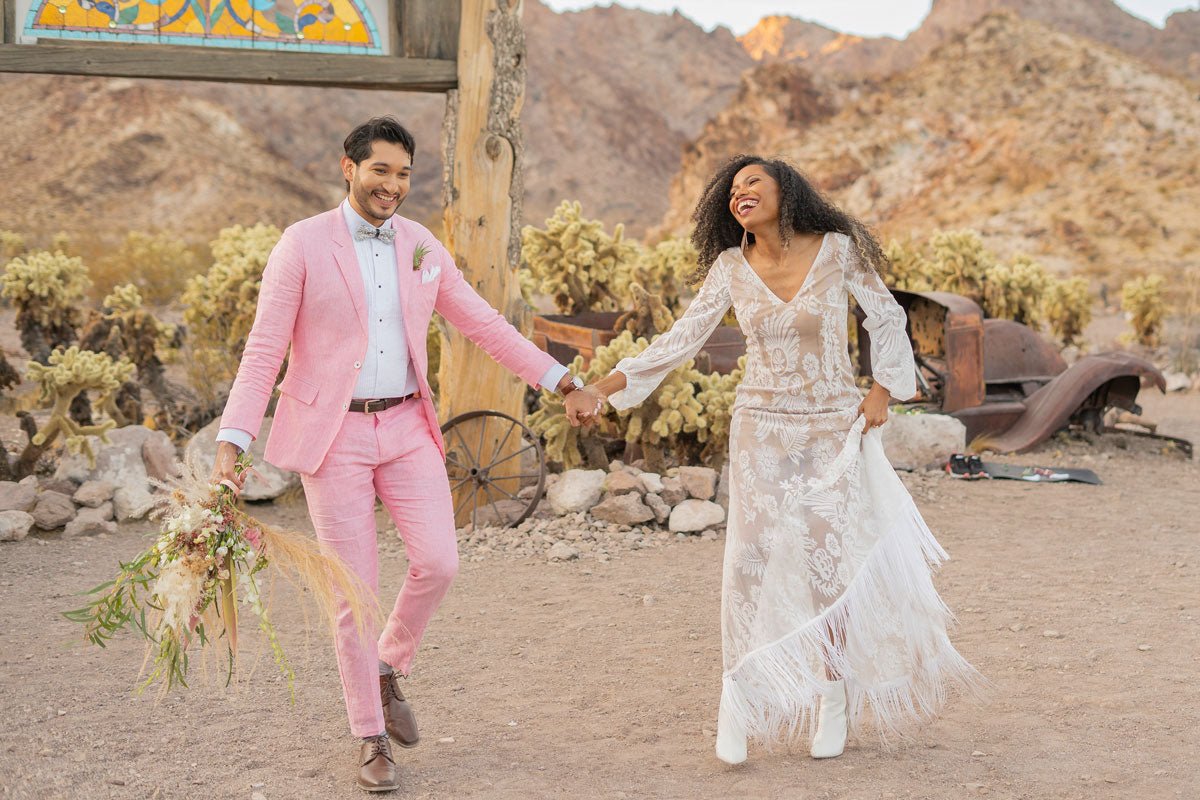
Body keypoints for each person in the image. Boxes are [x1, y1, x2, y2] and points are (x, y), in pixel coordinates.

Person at [565, 155, 980, 764]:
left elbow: (887, 316)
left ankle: (832, 693)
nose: (741, 194)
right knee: (748, 563)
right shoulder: (731, 267)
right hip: (761, 429)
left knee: (825, 565)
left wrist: (882, 390)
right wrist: (603, 387)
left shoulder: (837, 250)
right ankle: (740, 702)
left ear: (786, 189)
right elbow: (680, 339)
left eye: (752, 182)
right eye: (733, 190)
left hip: (832, 428)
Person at [210, 116, 581, 792]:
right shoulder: (301, 245)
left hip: (408, 426)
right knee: (354, 594)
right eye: (381, 170)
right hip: (335, 438)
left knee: (440, 561)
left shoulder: (419, 245)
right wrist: (233, 443)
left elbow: (485, 325)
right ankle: (370, 738)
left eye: (404, 173)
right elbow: (264, 350)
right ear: (348, 167)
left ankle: (388, 665)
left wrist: (560, 381)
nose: (394, 185)